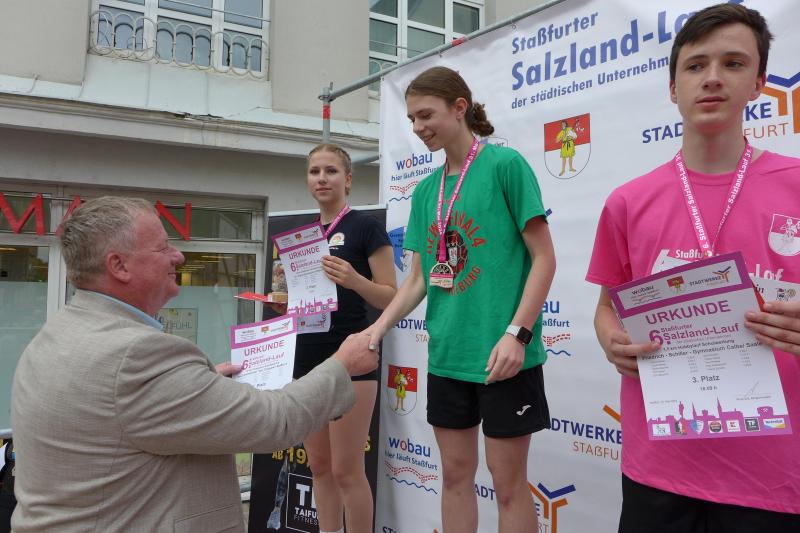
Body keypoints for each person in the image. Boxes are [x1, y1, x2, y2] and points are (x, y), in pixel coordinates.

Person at [10, 196, 377, 532]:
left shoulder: (57, 332)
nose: (178, 257)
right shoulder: (137, 356)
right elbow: (275, 421)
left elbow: (119, 408)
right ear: (119, 266)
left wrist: (196, 385)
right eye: (163, 247)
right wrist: (341, 366)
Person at [586, 5, 800, 532]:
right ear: (672, 87)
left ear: (759, 83)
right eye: (696, 65)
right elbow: (606, 309)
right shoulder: (628, 202)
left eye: (733, 63)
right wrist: (612, 340)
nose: (712, 78)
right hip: (657, 468)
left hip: (772, 477)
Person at [364, 66, 556, 533]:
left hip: (504, 358)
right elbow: (418, 280)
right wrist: (376, 330)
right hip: (448, 357)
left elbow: (544, 258)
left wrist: (517, 334)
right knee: (453, 478)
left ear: (459, 108)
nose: (418, 127)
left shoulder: (505, 166)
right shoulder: (426, 190)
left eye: (426, 114)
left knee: (508, 486)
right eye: (411, 119)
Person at [296, 144, 396, 533]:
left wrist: (354, 280)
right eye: (314, 171)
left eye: (331, 171)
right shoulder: (304, 236)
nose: (322, 178)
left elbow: (391, 296)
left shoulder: (365, 227)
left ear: (348, 179)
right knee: (319, 466)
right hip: (305, 358)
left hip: (351, 357)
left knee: (347, 470)